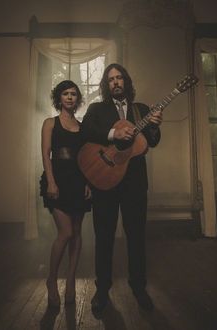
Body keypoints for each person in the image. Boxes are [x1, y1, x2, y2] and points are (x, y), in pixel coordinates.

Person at [80, 63, 163, 314]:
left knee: (136, 236)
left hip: (135, 184)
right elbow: (86, 131)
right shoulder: (97, 109)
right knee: (104, 237)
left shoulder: (142, 110)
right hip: (105, 179)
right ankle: (102, 289)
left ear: (125, 81)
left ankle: (138, 287)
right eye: (111, 79)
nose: (116, 82)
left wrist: (155, 125)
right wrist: (113, 133)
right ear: (107, 85)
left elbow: (153, 142)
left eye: (119, 78)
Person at [40, 80, 91, 308]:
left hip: (79, 182)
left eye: (73, 94)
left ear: (77, 99)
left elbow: (86, 158)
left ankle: (70, 280)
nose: (70, 97)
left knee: (77, 232)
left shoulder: (82, 127)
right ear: (58, 98)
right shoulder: (50, 123)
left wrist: (88, 182)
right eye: (65, 94)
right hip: (57, 181)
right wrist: (51, 181)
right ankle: (51, 279)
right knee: (66, 232)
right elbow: (46, 154)